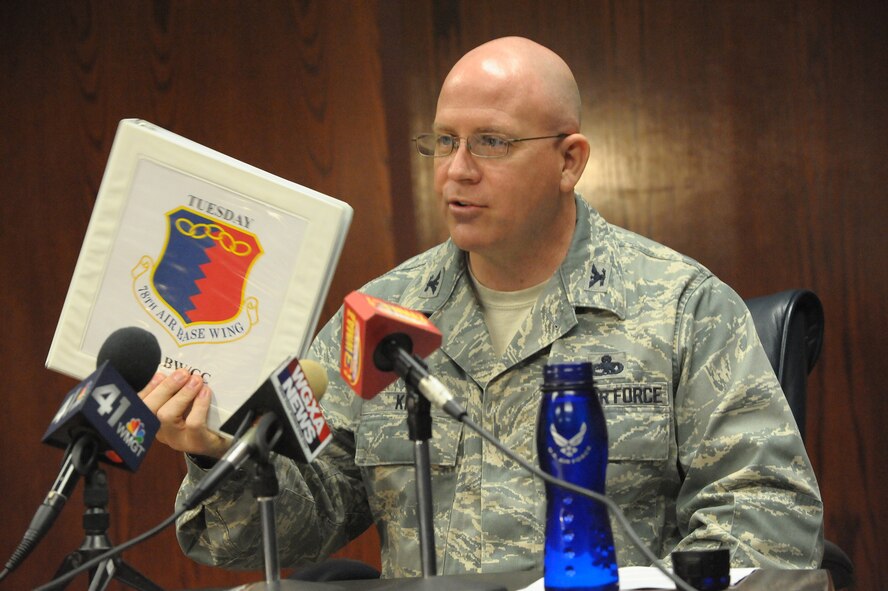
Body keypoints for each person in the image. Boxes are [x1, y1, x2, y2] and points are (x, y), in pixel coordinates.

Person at [140, 36, 824, 578]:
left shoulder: (682, 308)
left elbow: (768, 511)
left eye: (491, 142)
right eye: (443, 140)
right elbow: (297, 519)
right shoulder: (378, 321)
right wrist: (214, 453)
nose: (456, 170)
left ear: (569, 160)